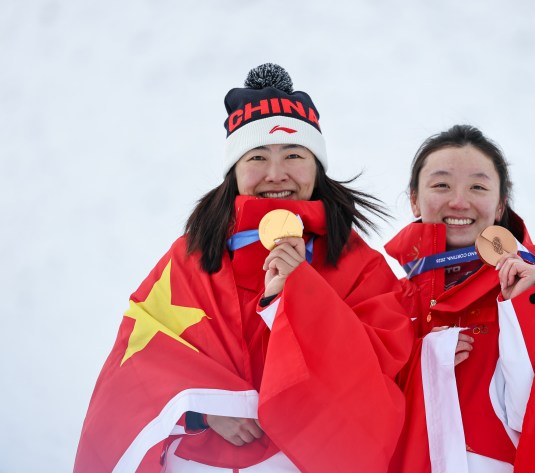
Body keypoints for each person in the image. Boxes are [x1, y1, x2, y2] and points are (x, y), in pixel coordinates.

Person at [74, 64, 413, 473]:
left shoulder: (360, 264)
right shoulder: (190, 257)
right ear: (234, 170)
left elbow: (382, 365)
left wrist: (298, 295)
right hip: (198, 461)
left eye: (293, 154)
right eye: (257, 157)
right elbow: (137, 364)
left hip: (300, 461)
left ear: (316, 167)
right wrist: (205, 409)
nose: (276, 174)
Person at [385, 125, 535, 472]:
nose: (459, 201)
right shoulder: (389, 300)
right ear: (414, 198)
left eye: (477, 186)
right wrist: (426, 361)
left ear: (500, 204)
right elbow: (358, 409)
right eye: (441, 184)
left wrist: (522, 308)